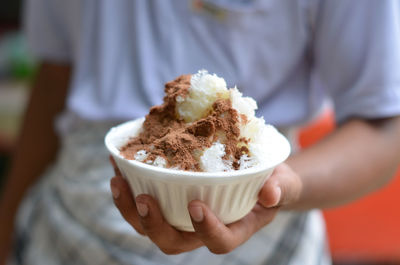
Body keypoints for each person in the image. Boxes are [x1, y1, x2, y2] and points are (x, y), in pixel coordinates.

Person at [1, 0, 400, 264]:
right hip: (71, 227)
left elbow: (383, 125)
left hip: (262, 216)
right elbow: (56, 77)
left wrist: (280, 186)